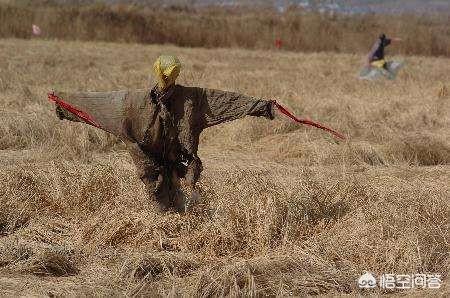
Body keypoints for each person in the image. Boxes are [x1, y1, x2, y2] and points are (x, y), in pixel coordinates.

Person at [53, 55, 275, 212]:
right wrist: (64, 103)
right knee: (161, 198)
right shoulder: (135, 102)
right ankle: (166, 213)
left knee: (184, 198)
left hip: (179, 161)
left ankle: (179, 213)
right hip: (149, 161)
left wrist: (260, 106)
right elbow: (98, 103)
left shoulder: (191, 100)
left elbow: (224, 102)